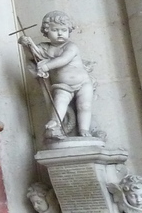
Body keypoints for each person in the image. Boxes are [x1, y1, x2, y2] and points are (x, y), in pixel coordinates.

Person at [18, 9, 95, 138]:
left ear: (69, 31)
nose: (60, 33)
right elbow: (33, 55)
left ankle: (84, 130)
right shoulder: (45, 47)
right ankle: (55, 124)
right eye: (55, 30)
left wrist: (47, 66)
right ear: (47, 31)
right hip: (62, 85)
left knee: (85, 106)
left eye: (64, 30)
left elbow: (63, 60)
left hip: (83, 83)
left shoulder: (70, 46)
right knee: (60, 101)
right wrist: (26, 44)